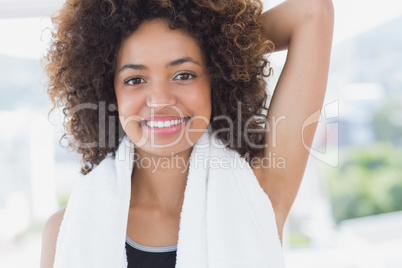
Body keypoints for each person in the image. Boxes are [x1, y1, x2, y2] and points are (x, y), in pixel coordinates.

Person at [40, 0, 334, 267]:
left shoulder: (259, 191)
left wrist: (227, 45)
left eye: (184, 74)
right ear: (108, 92)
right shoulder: (63, 230)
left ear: (216, 78)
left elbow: (312, 12)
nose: (160, 99)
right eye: (135, 79)